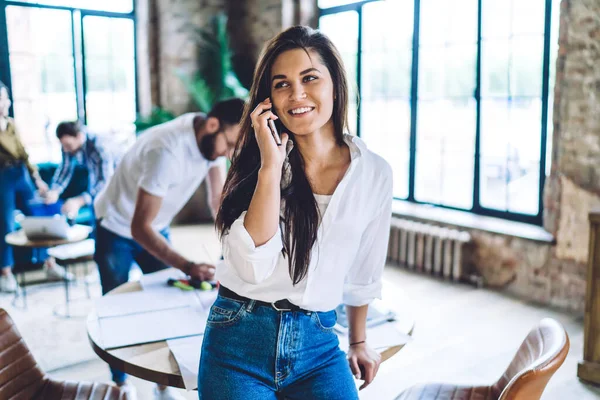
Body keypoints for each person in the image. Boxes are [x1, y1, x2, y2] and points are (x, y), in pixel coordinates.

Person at [200, 26, 393, 399]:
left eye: (310, 78)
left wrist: (359, 341)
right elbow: (251, 265)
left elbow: (365, 269)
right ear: (267, 99)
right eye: (281, 84)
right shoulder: (254, 165)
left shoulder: (373, 173)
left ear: (334, 84)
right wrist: (271, 167)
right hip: (238, 340)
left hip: (318, 345)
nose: (297, 94)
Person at [93, 97, 244, 400]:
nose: (229, 154)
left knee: (168, 300)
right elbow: (139, 228)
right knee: (116, 308)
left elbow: (217, 203)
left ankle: (161, 383)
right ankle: (121, 382)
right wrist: (188, 265)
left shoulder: (208, 138)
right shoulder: (168, 150)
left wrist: (234, 249)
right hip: (117, 226)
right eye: (229, 145)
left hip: (153, 225)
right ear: (214, 125)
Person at [0, 80, 71, 292]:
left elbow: (23, 153)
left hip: (21, 174)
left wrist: (37, 179)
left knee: (38, 218)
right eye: (1, 99)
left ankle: (49, 263)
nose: (6, 102)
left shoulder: (11, 124)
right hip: (2, 178)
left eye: (5, 98)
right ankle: (6, 274)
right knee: (6, 225)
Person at [44, 121, 117, 221]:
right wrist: (55, 191)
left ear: (79, 136)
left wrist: (79, 201)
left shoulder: (99, 146)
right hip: (96, 184)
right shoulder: (68, 146)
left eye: (68, 145)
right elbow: (65, 169)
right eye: (63, 146)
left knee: (108, 220)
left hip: (117, 184)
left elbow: (105, 182)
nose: (65, 150)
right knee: (95, 216)